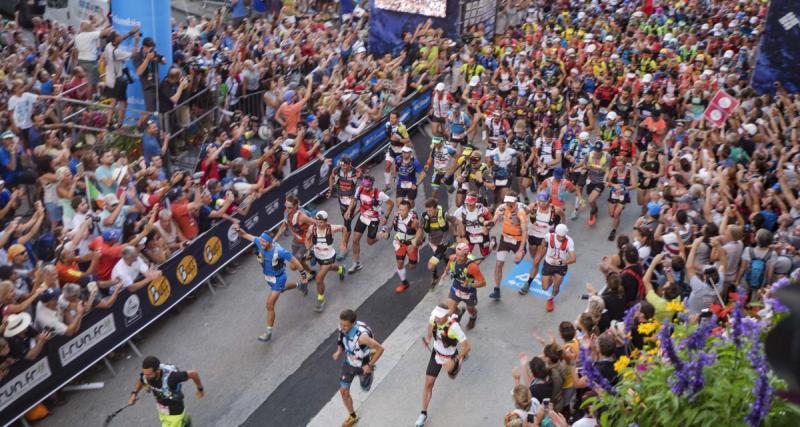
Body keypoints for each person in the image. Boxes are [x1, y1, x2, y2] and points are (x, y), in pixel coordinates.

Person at [233, 225, 309, 342]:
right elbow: (244, 235)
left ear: (269, 242)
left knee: (269, 305)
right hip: (269, 277)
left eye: (264, 241)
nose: (261, 242)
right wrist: (239, 230)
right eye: (261, 240)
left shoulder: (280, 252)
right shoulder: (259, 242)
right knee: (283, 288)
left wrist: (304, 276)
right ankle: (300, 286)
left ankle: (268, 332)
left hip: (279, 278)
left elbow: (295, 262)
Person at [416, 303, 471, 427]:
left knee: (452, 376)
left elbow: (467, 346)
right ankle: (423, 414)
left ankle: (461, 358)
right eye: (436, 316)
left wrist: (456, 359)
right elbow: (430, 326)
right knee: (428, 383)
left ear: (446, 315)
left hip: (450, 356)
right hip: (436, 354)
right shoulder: (434, 318)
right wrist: (429, 339)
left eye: (440, 317)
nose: (436, 319)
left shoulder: (454, 327)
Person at [333, 309, 385, 427]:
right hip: (349, 362)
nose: (342, 327)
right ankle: (353, 416)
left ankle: (369, 372)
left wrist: (369, 365)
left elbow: (380, 349)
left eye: (345, 325)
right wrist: (338, 351)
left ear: (353, 323)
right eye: (341, 324)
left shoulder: (362, 337)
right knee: (343, 391)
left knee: (365, 388)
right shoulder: (342, 327)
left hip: (363, 364)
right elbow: (341, 340)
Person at [128, 355, 204, 427]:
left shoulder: (172, 378)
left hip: (175, 410)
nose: (146, 377)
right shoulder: (147, 374)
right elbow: (141, 380)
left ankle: (183, 421)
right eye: (145, 374)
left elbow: (193, 373)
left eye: (149, 374)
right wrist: (134, 394)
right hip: (162, 408)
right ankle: (186, 422)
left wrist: (200, 389)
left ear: (157, 370)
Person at [344, 175, 394, 274]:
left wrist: (386, 217)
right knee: (355, 240)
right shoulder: (359, 189)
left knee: (370, 242)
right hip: (363, 217)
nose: (365, 188)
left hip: (374, 219)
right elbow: (354, 200)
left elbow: (391, 203)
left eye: (367, 187)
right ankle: (357, 263)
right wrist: (349, 210)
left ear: (371, 185)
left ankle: (382, 234)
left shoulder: (379, 194)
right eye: (364, 186)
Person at [305, 211, 346, 312]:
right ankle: (341, 269)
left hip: (329, 256)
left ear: (326, 221)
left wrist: (343, 243)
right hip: (318, 256)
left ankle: (321, 299)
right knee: (330, 268)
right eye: (317, 221)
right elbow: (307, 239)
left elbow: (344, 228)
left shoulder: (331, 228)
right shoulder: (312, 228)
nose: (319, 224)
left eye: (321, 222)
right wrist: (308, 249)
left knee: (319, 279)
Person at [490, 193, 528, 301]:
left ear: (515, 202)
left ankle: (522, 252)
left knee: (517, 261)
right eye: (506, 201)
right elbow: (494, 220)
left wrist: (520, 250)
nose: (507, 203)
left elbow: (525, 232)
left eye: (510, 202)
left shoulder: (520, 212)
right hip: (505, 239)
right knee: (498, 264)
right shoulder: (502, 207)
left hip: (517, 240)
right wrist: (488, 224)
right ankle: (496, 289)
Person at [520, 192, 559, 295]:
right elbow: (522, 214)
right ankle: (536, 267)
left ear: (548, 201)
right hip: (532, 237)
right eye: (540, 201)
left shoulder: (554, 209)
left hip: (544, 239)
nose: (541, 204)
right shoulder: (534, 206)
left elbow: (562, 216)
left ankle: (528, 283)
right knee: (534, 257)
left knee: (536, 261)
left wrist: (560, 230)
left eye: (544, 202)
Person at [443, 242, 486, 329]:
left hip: (469, 293)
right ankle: (458, 313)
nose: (458, 258)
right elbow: (449, 264)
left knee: (471, 310)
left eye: (461, 256)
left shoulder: (473, 267)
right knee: (450, 310)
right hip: (456, 288)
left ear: (466, 255)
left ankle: (473, 317)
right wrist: (445, 272)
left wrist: (469, 285)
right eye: (457, 255)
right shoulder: (453, 258)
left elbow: (483, 283)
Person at [275, 194, 316, 280]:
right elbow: (283, 226)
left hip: (305, 242)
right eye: (286, 207)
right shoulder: (287, 212)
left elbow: (316, 224)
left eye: (289, 207)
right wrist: (273, 240)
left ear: (296, 206)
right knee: (299, 262)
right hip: (296, 240)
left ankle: (314, 253)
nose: (287, 210)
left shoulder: (302, 216)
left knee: (293, 266)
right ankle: (311, 273)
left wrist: (311, 239)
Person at [327, 155, 361, 260]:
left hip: (352, 200)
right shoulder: (336, 171)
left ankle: (343, 247)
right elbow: (331, 178)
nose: (343, 168)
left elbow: (365, 183)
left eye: (345, 166)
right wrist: (330, 190)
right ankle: (357, 212)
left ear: (350, 164)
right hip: (341, 200)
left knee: (347, 222)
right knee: (346, 220)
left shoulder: (356, 172)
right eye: (341, 165)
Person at [389, 199, 423, 293]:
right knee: (400, 263)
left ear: (409, 210)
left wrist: (414, 243)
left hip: (411, 243)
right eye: (400, 209)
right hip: (400, 242)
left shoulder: (413, 220)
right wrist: (386, 231)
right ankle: (404, 283)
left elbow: (419, 231)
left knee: (412, 266)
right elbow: (393, 225)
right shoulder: (397, 215)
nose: (401, 212)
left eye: (403, 210)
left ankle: (416, 253)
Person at [541, 224, 576, 312]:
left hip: (561, 267)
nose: (561, 238)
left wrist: (561, 262)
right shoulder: (548, 236)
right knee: (545, 287)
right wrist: (543, 249)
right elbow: (543, 242)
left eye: (563, 237)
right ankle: (552, 279)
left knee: (556, 287)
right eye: (559, 237)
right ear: (556, 233)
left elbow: (573, 259)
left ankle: (551, 299)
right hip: (548, 264)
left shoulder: (569, 241)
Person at [420, 197, 452, 288]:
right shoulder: (425, 216)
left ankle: (435, 276)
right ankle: (448, 262)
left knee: (431, 265)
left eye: (430, 210)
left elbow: (454, 222)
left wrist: (456, 236)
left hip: (443, 242)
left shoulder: (444, 214)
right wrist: (419, 237)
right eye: (427, 210)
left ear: (436, 208)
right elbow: (420, 227)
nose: (428, 213)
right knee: (442, 255)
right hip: (432, 242)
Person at [605, 154, 637, 241]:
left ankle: (613, 230)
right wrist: (614, 185)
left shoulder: (630, 171)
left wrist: (624, 188)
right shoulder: (614, 170)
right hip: (614, 193)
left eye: (621, 165)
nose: (619, 167)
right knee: (611, 214)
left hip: (623, 194)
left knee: (616, 214)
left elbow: (634, 185)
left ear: (625, 164)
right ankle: (616, 218)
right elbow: (609, 181)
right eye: (618, 165)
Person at [384, 112, 411, 193]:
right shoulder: (387, 125)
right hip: (392, 148)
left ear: (398, 119)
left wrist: (398, 140)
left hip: (400, 150)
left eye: (393, 118)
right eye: (390, 118)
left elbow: (407, 140)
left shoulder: (402, 128)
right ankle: (387, 186)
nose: (391, 119)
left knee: (398, 169)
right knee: (387, 165)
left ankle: (406, 183)